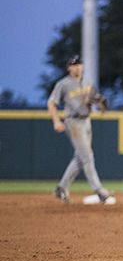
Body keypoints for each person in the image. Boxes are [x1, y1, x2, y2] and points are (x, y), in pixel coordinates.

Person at [47, 55, 114, 204]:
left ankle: (61, 188)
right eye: (74, 64)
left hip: (87, 121)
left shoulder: (88, 83)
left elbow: (97, 103)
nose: (77, 67)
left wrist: (102, 105)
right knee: (87, 156)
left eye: (79, 64)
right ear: (68, 67)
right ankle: (100, 191)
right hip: (73, 122)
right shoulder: (63, 84)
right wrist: (56, 121)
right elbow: (51, 103)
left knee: (80, 158)